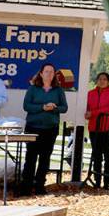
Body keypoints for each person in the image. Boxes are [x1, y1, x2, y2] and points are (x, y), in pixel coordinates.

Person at [21, 62, 68, 196]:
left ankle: (40, 186)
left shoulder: (58, 90)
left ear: (55, 75)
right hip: (33, 128)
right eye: (46, 71)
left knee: (45, 158)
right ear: (41, 74)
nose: (49, 74)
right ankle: (26, 187)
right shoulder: (33, 89)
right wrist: (42, 107)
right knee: (30, 158)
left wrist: (54, 108)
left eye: (52, 72)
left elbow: (64, 108)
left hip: (50, 128)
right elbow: (26, 106)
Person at [85, 72, 109, 189]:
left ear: (108, 81)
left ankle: (107, 183)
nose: (102, 81)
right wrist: (88, 114)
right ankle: (97, 182)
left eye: (104, 79)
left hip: (108, 129)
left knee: (108, 156)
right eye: (100, 79)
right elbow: (86, 109)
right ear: (96, 81)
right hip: (94, 129)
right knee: (97, 156)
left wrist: (93, 113)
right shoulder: (90, 94)